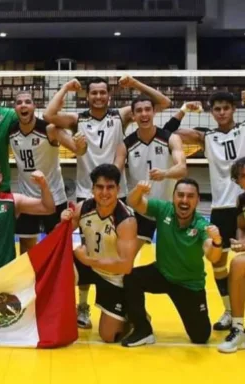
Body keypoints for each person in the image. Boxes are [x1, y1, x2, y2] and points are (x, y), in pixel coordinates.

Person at [43, 75, 172, 329]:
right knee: (86, 252)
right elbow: (48, 116)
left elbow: (163, 103)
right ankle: (83, 307)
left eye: (103, 93)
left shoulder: (121, 115)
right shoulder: (77, 119)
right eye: (94, 93)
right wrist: (66, 88)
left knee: (121, 252)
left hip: (117, 193)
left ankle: (126, 303)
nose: (99, 97)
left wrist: (135, 84)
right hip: (86, 193)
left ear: (109, 95)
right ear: (87, 96)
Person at [174, 91, 245, 331]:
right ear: (211, 112)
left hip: (243, 203)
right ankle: (228, 310)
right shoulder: (207, 138)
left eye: (226, 107)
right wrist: (183, 109)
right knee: (219, 263)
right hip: (221, 207)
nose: (222, 112)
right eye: (217, 109)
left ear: (234, 109)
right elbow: (170, 132)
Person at [122, 178, 222, 347]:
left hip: (188, 285)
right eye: (180, 195)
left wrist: (217, 242)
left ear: (197, 200)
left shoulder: (202, 225)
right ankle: (142, 329)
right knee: (130, 277)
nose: (184, 200)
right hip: (162, 273)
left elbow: (212, 256)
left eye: (190, 196)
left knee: (200, 336)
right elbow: (132, 202)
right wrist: (139, 189)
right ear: (173, 197)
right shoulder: (163, 209)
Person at [60, 164, 138, 343]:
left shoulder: (126, 220)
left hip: (113, 274)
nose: (104, 192)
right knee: (58, 271)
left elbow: (126, 266)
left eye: (110, 187)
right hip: (88, 264)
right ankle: (74, 310)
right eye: (100, 187)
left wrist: (88, 261)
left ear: (118, 189)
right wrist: (63, 220)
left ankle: (129, 312)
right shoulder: (83, 208)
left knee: (109, 337)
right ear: (92, 189)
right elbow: (59, 236)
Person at [10, 90, 86, 254]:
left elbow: (77, 150)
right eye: (19, 102)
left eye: (27, 102)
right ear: (14, 108)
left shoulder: (49, 130)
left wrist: (80, 145)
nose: (23, 105)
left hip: (55, 197)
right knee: (26, 247)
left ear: (34, 106)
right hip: (27, 199)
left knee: (57, 245)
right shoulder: (10, 131)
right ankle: (30, 279)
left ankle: (56, 278)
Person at [114, 95, 187, 248]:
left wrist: (165, 173)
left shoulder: (171, 138)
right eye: (139, 111)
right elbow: (115, 172)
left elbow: (182, 169)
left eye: (148, 109)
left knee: (173, 256)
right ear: (133, 116)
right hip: (141, 208)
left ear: (154, 112)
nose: (144, 114)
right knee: (128, 256)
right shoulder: (125, 145)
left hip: (168, 208)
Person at [218, 157, 245, 353]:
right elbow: (241, 227)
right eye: (243, 176)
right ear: (238, 181)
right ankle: (238, 328)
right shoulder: (241, 200)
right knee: (236, 264)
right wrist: (238, 242)